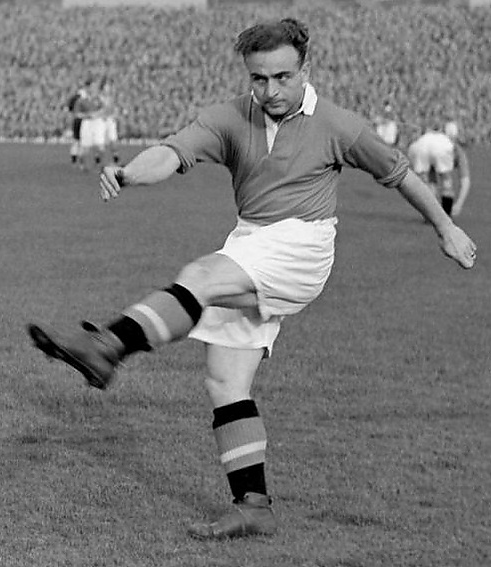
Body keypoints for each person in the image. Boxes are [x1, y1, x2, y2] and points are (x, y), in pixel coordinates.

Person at [27, 18, 477, 540]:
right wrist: (128, 173)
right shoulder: (230, 116)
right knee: (225, 380)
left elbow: (399, 173)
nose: (271, 90)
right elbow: (172, 153)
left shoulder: (338, 124)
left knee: (200, 276)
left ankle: (108, 346)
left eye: (283, 77)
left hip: (304, 244)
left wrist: (446, 227)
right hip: (251, 240)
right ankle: (253, 506)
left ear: (305, 70)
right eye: (259, 79)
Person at [407, 122, 471, 218]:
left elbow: (432, 177)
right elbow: (465, 181)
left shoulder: (434, 138)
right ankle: (446, 216)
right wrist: (459, 204)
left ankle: (430, 215)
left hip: (417, 146)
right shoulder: (454, 148)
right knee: (446, 180)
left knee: (428, 183)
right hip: (436, 148)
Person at [99, 77, 120, 165]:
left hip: (110, 120)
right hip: (102, 120)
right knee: (101, 142)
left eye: (109, 85)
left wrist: (115, 115)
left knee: (113, 140)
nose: (108, 87)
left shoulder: (112, 98)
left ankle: (115, 160)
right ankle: (99, 161)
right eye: (106, 85)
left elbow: (116, 108)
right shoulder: (99, 97)